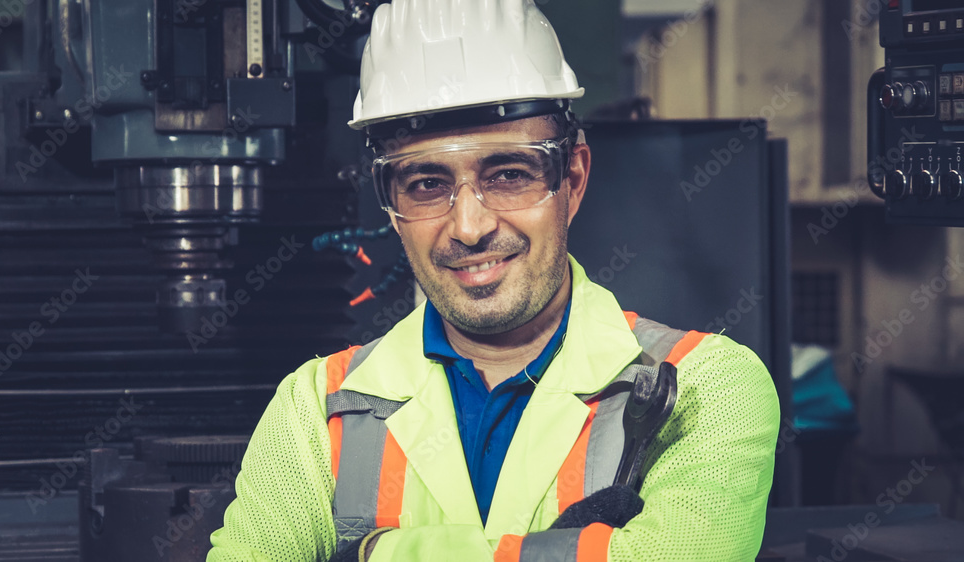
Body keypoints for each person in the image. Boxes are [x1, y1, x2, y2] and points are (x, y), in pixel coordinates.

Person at [208, 0, 780, 560]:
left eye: (508, 174)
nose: (469, 227)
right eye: (427, 184)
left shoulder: (710, 387)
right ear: (390, 206)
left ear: (573, 178)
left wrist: (374, 552)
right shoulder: (314, 407)